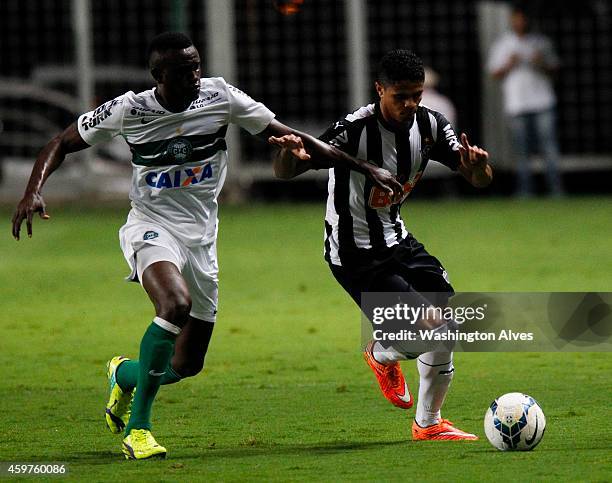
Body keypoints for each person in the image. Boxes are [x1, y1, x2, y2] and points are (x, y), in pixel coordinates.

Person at [11, 32, 403, 460]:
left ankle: (124, 375)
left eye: (196, 65)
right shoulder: (130, 109)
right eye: (182, 71)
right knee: (173, 306)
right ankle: (138, 431)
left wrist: (364, 167)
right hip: (151, 225)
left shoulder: (220, 96)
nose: (194, 76)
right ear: (158, 76)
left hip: (202, 238)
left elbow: (291, 136)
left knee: (185, 364)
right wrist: (34, 190)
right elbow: (60, 143)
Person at [272, 49, 492, 441]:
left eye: (417, 95)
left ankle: (428, 423)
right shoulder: (355, 128)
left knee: (448, 324)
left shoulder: (429, 125)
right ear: (380, 90)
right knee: (431, 330)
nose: (409, 104)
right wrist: (288, 157)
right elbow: (292, 167)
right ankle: (381, 352)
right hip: (355, 253)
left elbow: (479, 179)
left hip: (398, 240)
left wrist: (477, 168)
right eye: (400, 96)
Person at [487, 5, 563, 197]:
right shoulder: (504, 44)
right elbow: (494, 73)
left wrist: (541, 62)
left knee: (549, 147)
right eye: (517, 19)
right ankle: (525, 190)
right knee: (522, 150)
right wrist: (509, 63)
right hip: (517, 104)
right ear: (512, 20)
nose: (520, 23)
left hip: (542, 101)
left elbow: (555, 69)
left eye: (523, 19)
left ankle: (555, 189)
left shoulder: (540, 42)